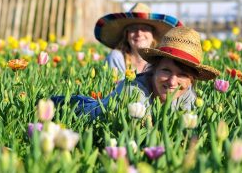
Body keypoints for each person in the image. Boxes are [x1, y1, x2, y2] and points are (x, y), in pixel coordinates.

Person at [52, 26, 220, 120]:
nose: (173, 81)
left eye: (182, 74)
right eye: (166, 71)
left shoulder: (189, 96)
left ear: (191, 80)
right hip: (75, 109)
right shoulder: (133, 92)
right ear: (153, 70)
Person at [95, 3, 183, 75]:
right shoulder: (117, 57)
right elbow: (116, 90)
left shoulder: (160, 62)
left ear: (153, 36)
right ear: (127, 35)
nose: (139, 33)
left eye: (145, 28)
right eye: (133, 29)